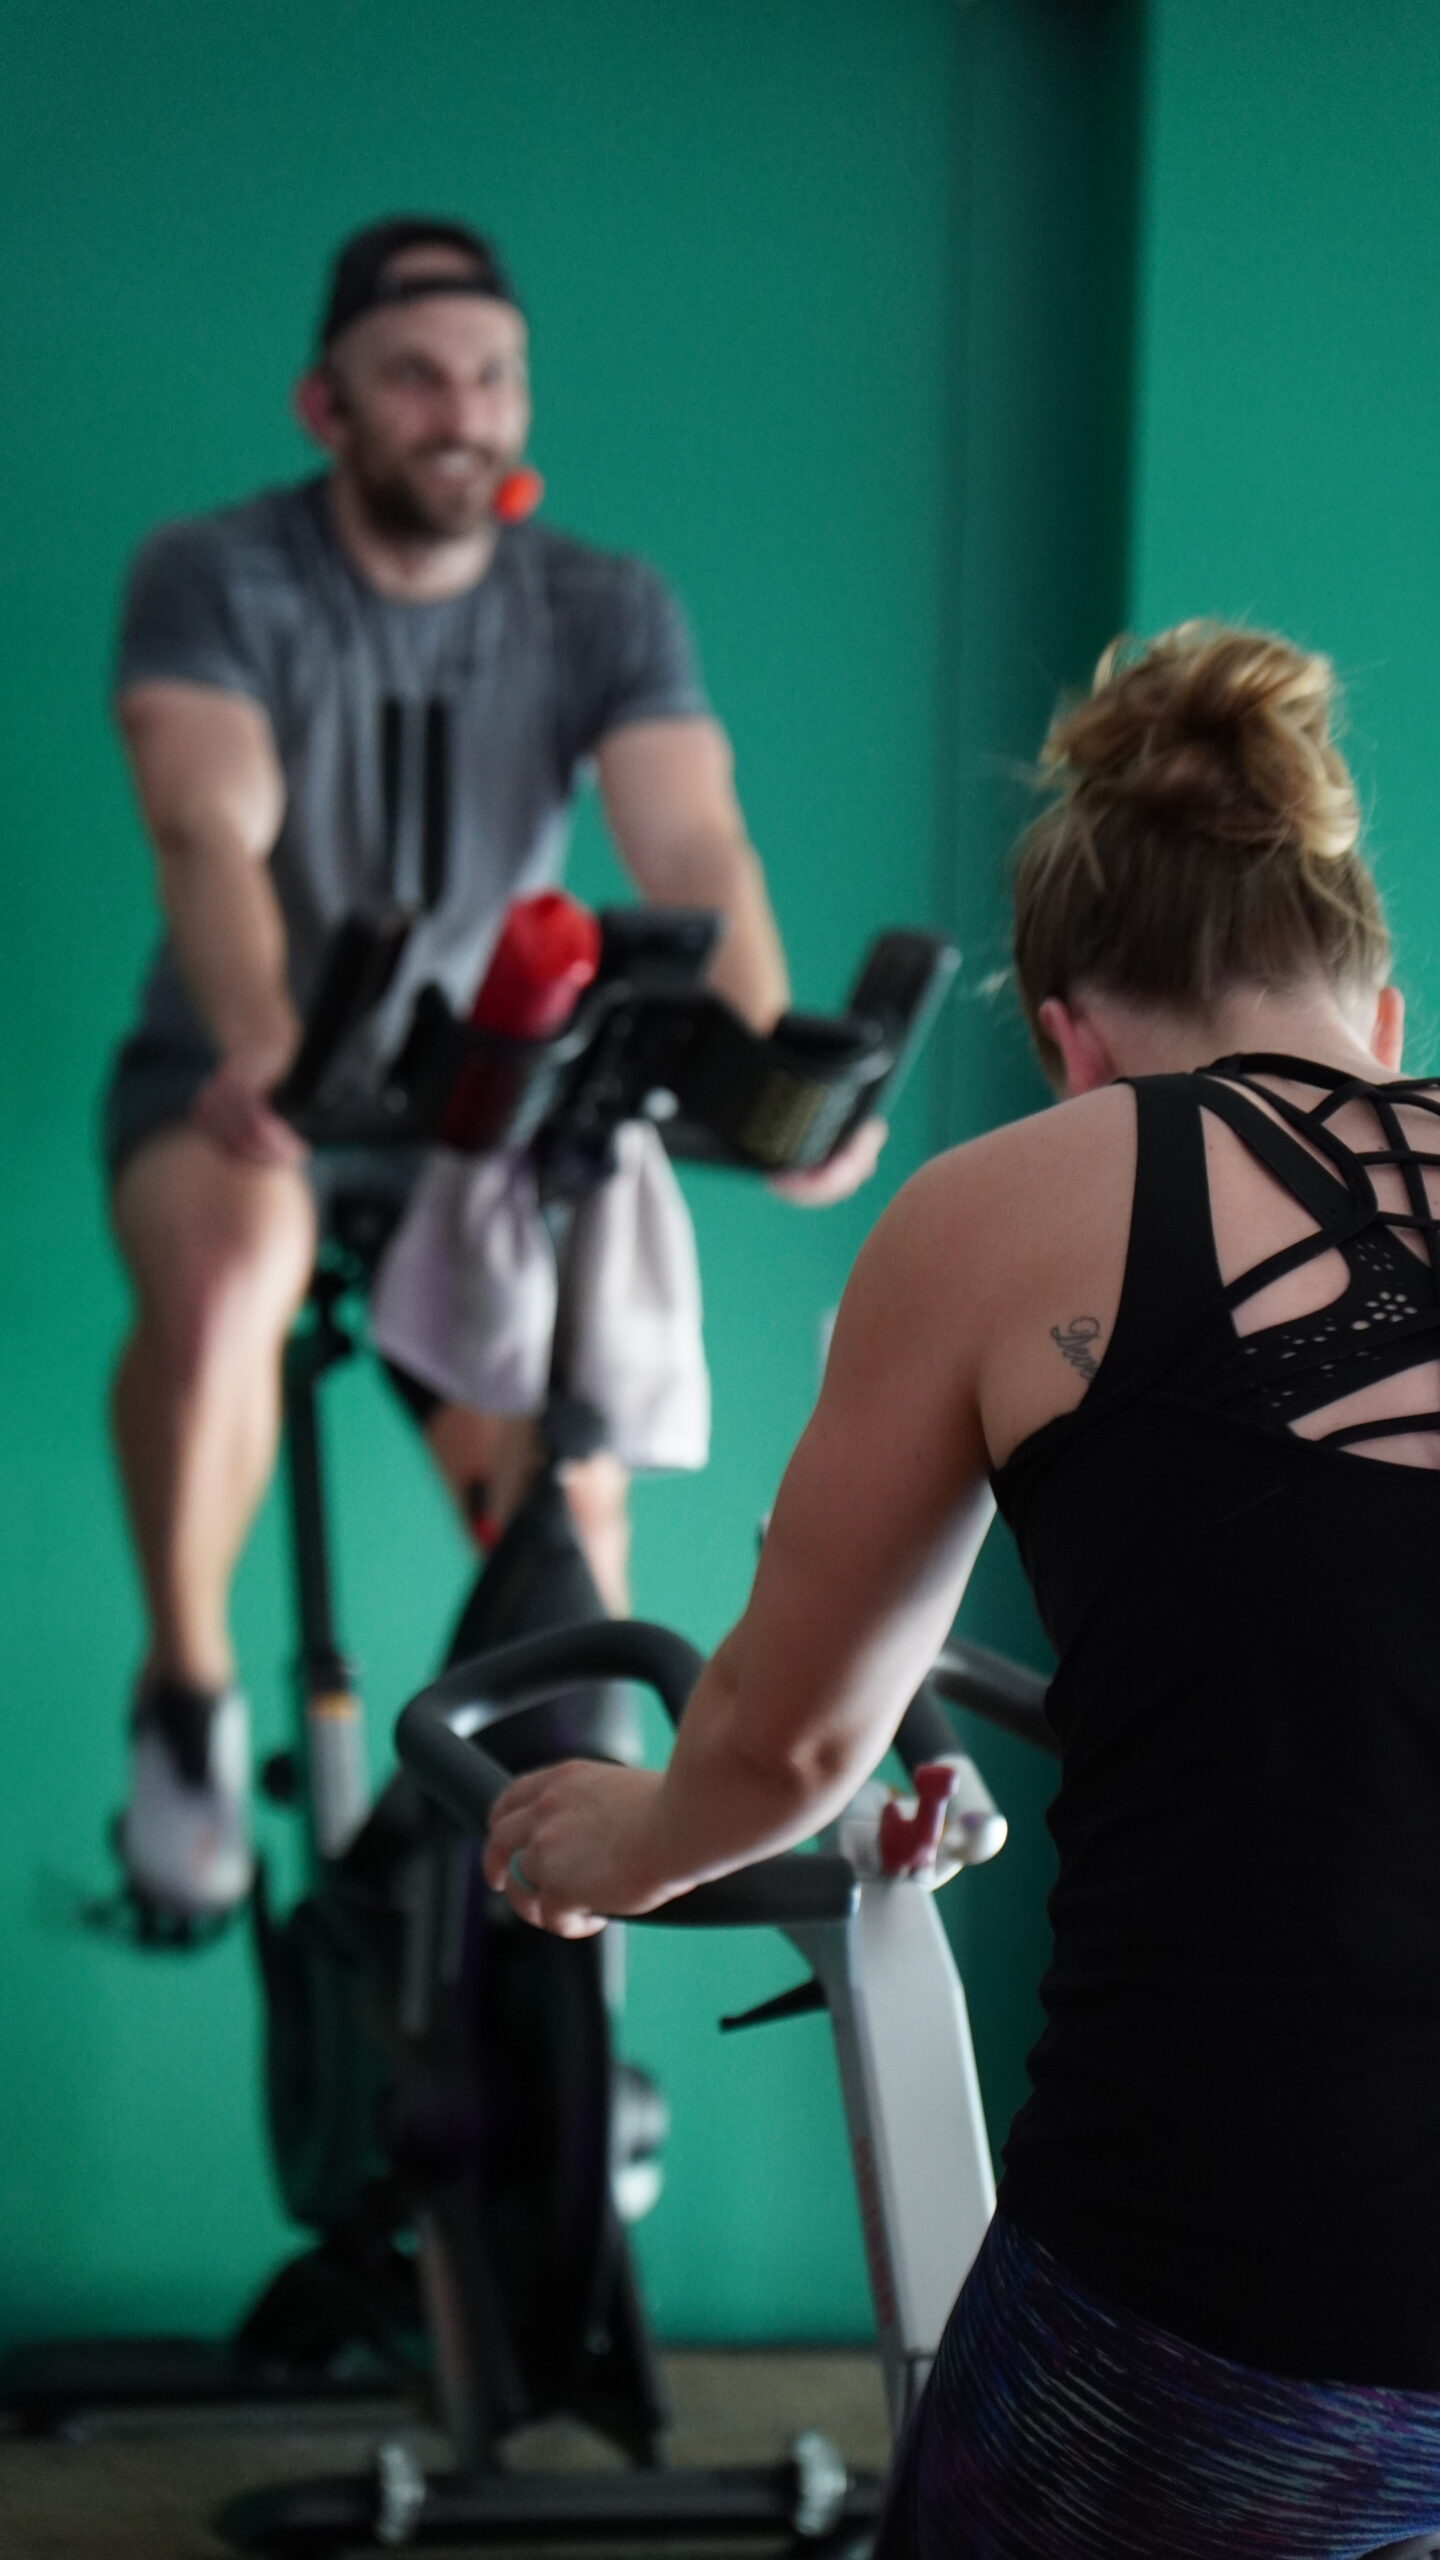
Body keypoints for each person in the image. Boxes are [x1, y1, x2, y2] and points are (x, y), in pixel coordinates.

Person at [483, 622, 1440, 2558]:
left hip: (1242, 2306)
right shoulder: (1372, 1101)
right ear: (1386, 1010)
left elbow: (792, 1736)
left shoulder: (1015, 1196)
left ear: (1067, 1031)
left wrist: (625, 1846)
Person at [104, 213, 880, 1922]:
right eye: (413, 378)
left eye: (492, 378)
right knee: (240, 1270)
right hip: (248, 1089)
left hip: (481, 1114)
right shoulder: (217, 574)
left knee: (571, 1510)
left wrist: (761, 1071)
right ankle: (185, 1700)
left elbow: (690, 842)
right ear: (328, 406)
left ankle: (549, 2000)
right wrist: (261, 1042)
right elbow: (202, 820)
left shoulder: (599, 602)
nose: (460, 412)